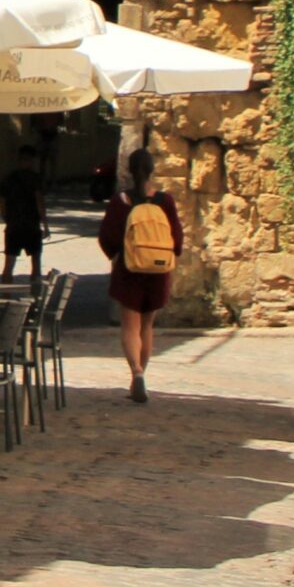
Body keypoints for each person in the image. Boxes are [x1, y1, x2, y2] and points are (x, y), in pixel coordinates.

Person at [97, 147, 182, 404]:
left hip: (129, 269)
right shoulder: (165, 201)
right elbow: (176, 238)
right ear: (152, 170)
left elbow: (107, 236)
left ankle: (136, 372)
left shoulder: (121, 201)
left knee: (130, 326)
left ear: (129, 170)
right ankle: (142, 372)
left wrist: (116, 255)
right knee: (147, 325)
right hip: (157, 270)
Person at [0, 145, 47, 284]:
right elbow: (40, 203)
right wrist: (46, 225)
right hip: (32, 226)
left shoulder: (8, 179)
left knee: (9, 265)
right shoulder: (35, 179)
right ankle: (35, 299)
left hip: (13, 227)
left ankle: (5, 297)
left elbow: (1, 203)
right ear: (32, 160)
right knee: (36, 264)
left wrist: (8, 220)